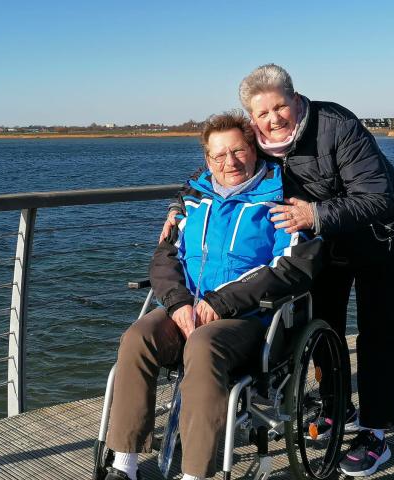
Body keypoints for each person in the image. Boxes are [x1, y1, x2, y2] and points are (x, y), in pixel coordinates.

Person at [161, 64, 394, 477]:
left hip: (385, 239)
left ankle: (375, 432)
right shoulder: (257, 139)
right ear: (252, 117)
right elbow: (211, 173)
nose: (273, 119)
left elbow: (377, 196)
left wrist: (314, 214)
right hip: (326, 242)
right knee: (322, 324)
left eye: (279, 107)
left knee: (379, 330)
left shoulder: (336, 126)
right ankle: (338, 408)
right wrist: (179, 207)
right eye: (262, 113)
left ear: (296, 100)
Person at [104, 111, 323, 480]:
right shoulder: (193, 200)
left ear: (253, 150)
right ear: (207, 160)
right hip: (188, 308)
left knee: (204, 345)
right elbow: (164, 257)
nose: (229, 162)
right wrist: (178, 304)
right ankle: (124, 463)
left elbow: (291, 267)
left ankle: (195, 473)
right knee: (138, 337)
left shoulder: (282, 200)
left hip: (249, 319)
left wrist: (221, 303)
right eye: (219, 155)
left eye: (237, 151)